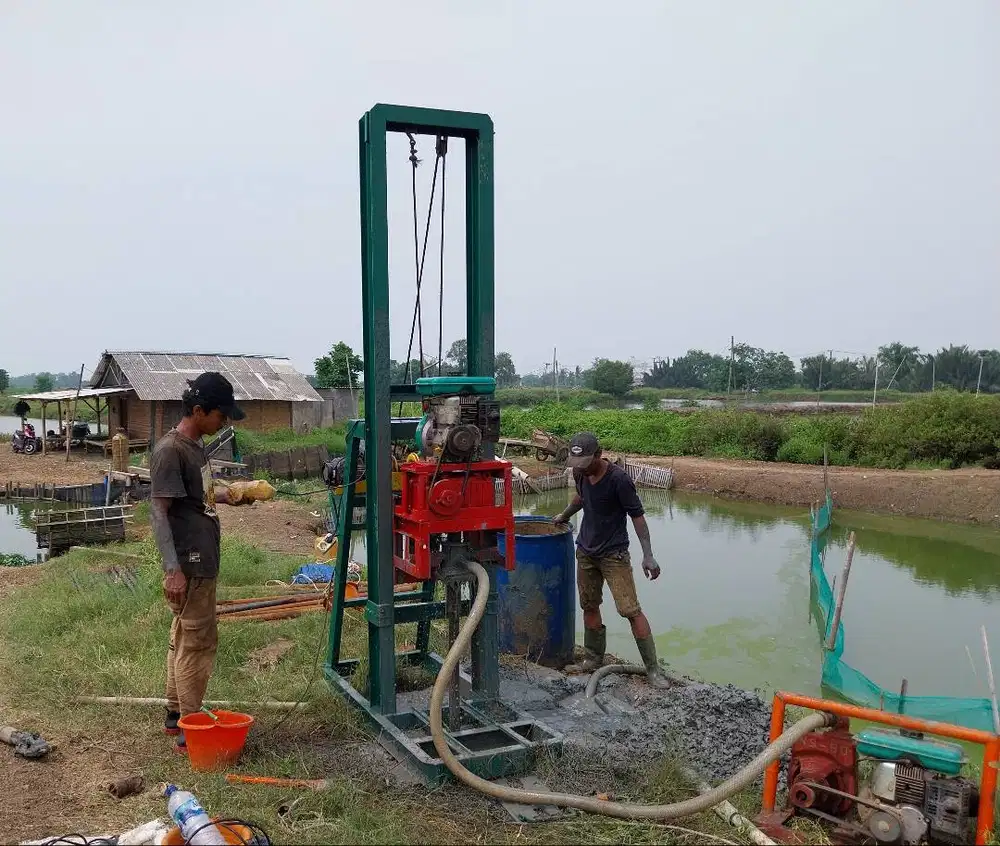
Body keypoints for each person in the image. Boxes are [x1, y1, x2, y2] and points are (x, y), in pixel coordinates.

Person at [150, 372, 244, 751]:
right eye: (221, 414)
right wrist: (173, 570)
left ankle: (176, 715)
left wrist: (232, 494)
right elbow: (159, 512)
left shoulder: (193, 447)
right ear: (200, 410)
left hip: (198, 558)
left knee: (182, 637)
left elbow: (196, 498)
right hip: (190, 562)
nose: (224, 421)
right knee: (199, 642)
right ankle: (193, 728)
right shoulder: (170, 450)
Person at [553, 432, 670, 688]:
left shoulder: (619, 480)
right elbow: (581, 498)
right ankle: (593, 659)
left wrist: (648, 555)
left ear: (598, 453)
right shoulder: (579, 473)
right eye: (577, 464)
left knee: (630, 610)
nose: (580, 469)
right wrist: (564, 515)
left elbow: (637, 516)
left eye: (585, 462)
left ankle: (653, 670)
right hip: (586, 551)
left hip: (613, 555)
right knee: (589, 605)